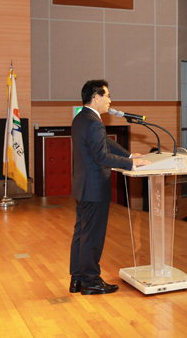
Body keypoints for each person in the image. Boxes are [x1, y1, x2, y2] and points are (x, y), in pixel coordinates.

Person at [69, 80, 150, 295]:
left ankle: (77, 279)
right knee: (92, 236)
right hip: (93, 188)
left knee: (82, 234)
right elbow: (102, 156)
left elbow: (105, 143)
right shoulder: (93, 121)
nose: (110, 100)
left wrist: (129, 154)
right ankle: (91, 281)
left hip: (83, 186)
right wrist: (132, 164)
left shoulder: (81, 118)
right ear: (96, 97)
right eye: (107, 96)